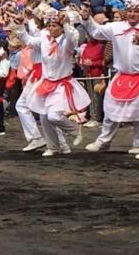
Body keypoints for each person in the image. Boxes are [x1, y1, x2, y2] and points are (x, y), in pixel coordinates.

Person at [17, 10, 89, 157]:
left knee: (53, 116)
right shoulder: (44, 37)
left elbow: (71, 39)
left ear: (61, 26)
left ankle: (75, 130)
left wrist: (66, 24)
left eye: (55, 25)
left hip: (62, 83)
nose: (51, 28)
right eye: (49, 25)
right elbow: (29, 41)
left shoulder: (68, 39)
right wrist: (19, 26)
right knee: (43, 116)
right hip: (46, 82)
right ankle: (53, 147)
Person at [81, 0, 139, 156]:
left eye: (136, 11)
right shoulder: (117, 27)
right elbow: (96, 31)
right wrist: (87, 18)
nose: (132, 14)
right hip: (122, 75)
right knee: (110, 109)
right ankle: (103, 141)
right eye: (130, 11)